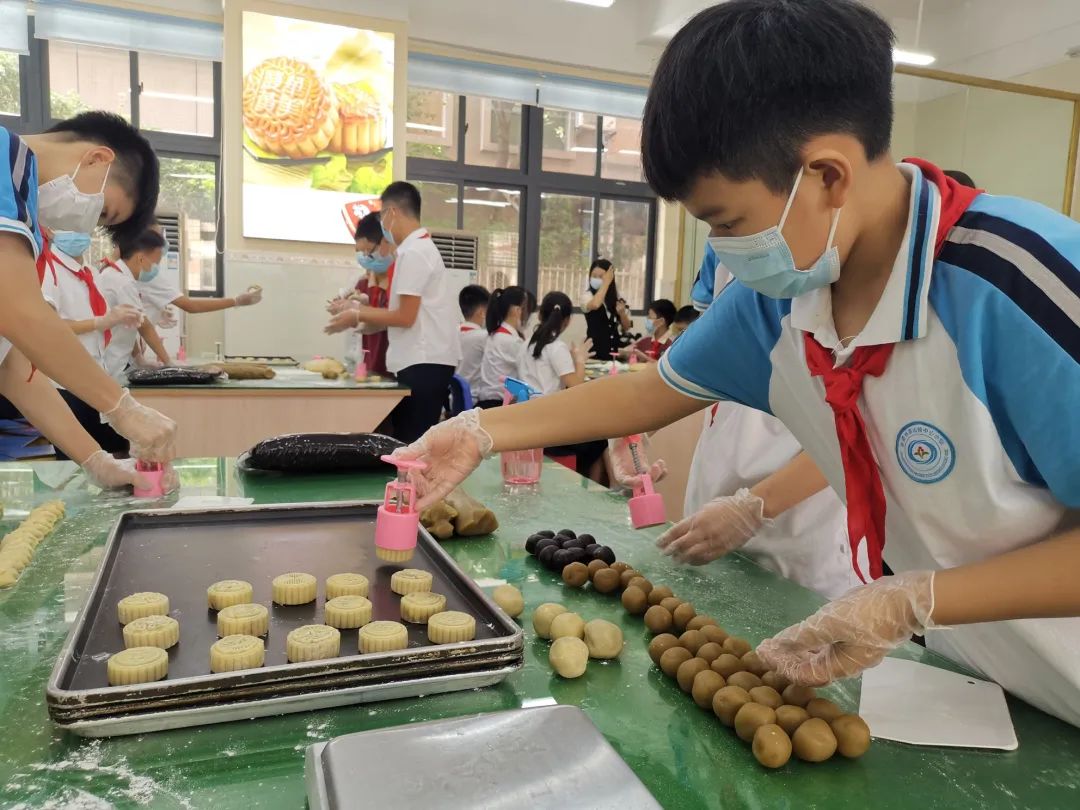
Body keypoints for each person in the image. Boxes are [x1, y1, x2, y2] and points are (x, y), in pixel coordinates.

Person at [391, 0, 1080, 728]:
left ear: (827, 176)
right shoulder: (784, 300)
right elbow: (650, 391)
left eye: (728, 223)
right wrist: (477, 431)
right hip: (978, 681)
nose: (723, 251)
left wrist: (918, 598)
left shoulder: (1017, 289)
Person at [660, 245, 859, 600]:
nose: (721, 237)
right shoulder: (722, 252)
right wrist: (636, 425)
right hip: (713, 503)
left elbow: (857, 437)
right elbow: (699, 362)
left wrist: (752, 509)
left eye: (729, 221)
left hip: (799, 538)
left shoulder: (847, 267)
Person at [0, 112, 176, 464]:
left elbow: (12, 366)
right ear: (98, 158)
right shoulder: (7, 159)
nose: (89, 224)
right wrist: (120, 407)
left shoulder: (26, 221)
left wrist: (96, 461)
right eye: (103, 214)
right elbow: (17, 313)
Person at [325, 181, 461, 443]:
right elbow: (400, 316)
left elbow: (404, 317)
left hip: (424, 362)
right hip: (422, 360)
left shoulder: (414, 253)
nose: (383, 225)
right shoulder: (415, 250)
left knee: (412, 443)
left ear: (392, 213)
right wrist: (359, 318)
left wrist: (358, 313)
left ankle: (413, 485)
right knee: (407, 441)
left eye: (383, 216)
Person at [39, 230, 143, 459]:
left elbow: (103, 321)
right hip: (64, 383)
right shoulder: (48, 268)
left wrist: (119, 318)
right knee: (76, 463)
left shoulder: (92, 273)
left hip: (97, 377)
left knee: (117, 452)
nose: (77, 233)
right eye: (68, 226)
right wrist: (100, 322)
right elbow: (47, 326)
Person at [517, 291, 606, 482]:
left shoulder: (525, 345)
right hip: (550, 427)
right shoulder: (556, 347)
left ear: (540, 315)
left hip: (527, 420)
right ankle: (595, 490)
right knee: (601, 439)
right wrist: (580, 361)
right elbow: (576, 389)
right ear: (567, 321)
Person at [326, 211, 393, 377]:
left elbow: (395, 318)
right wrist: (346, 311)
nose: (365, 258)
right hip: (369, 364)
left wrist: (358, 314)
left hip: (393, 367)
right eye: (361, 253)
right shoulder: (363, 282)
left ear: (387, 242)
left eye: (369, 251)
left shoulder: (399, 281)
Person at [98, 229, 170, 378]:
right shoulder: (122, 282)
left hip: (116, 362)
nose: (155, 270)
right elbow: (144, 326)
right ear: (141, 259)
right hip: (110, 364)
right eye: (155, 264)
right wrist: (169, 363)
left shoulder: (114, 275)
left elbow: (129, 324)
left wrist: (139, 359)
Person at [474, 286, 530, 408]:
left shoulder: (496, 335)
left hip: (488, 403)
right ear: (517, 310)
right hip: (499, 406)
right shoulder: (510, 341)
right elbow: (531, 373)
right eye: (526, 309)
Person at [581, 258, 632, 362]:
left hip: (614, 353)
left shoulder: (617, 298)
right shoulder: (587, 296)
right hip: (594, 353)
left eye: (601, 276)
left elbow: (627, 327)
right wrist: (605, 283)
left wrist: (622, 313)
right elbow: (595, 304)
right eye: (594, 276)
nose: (597, 279)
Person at [456, 284, 490, 395]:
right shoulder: (484, 337)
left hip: (453, 399)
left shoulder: (453, 333)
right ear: (481, 312)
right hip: (474, 400)